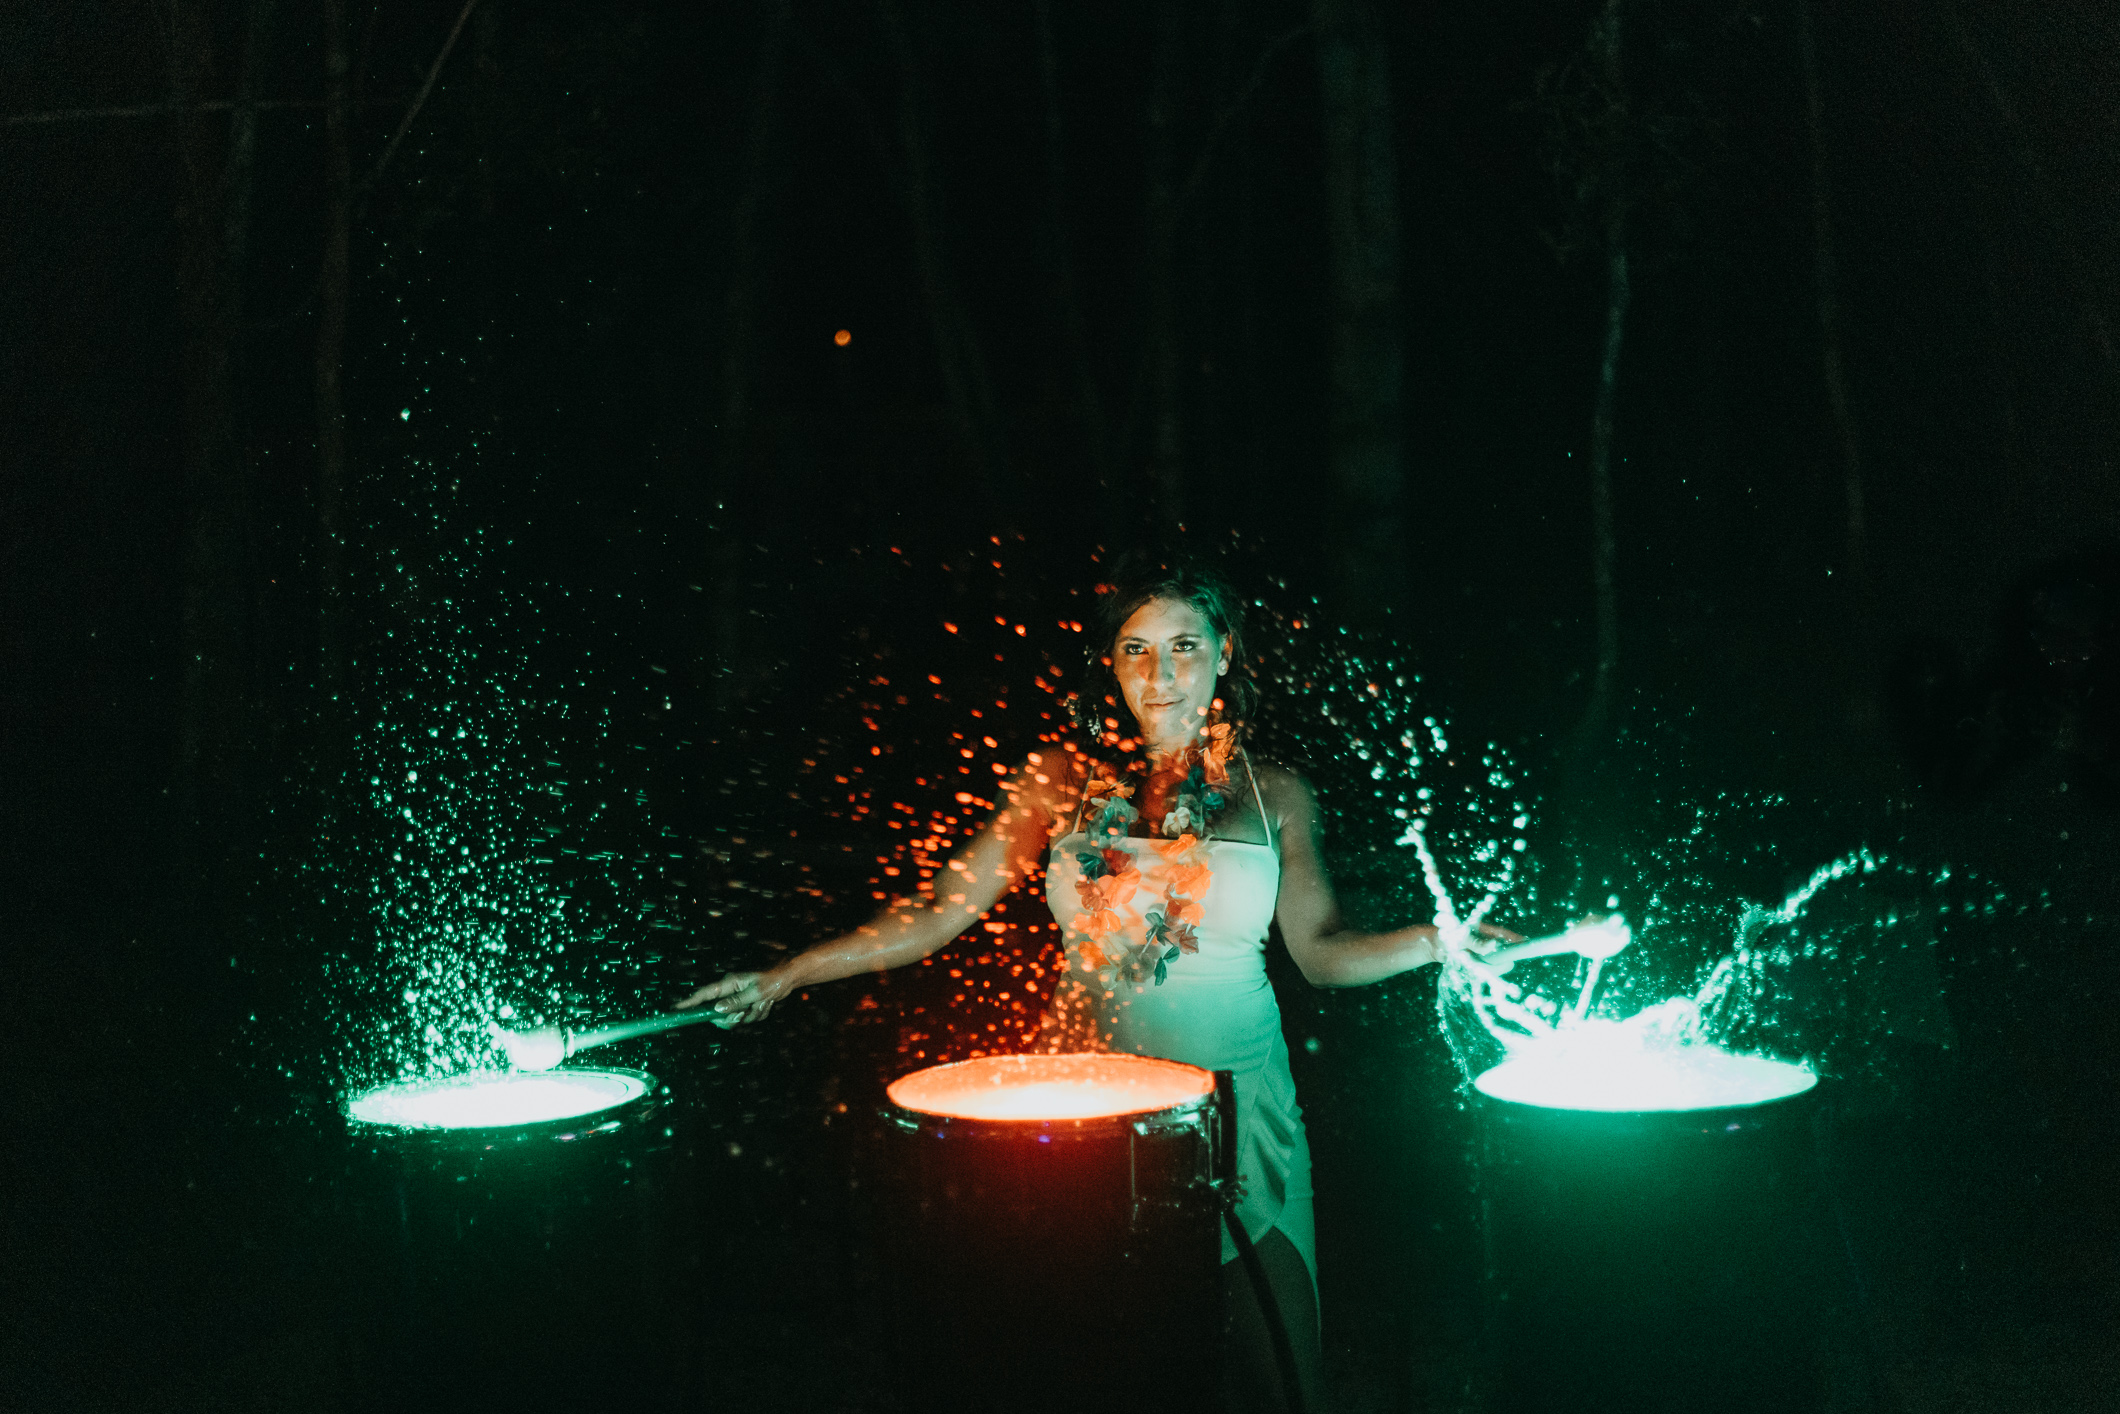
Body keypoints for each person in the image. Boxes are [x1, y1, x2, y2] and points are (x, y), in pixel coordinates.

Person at [679, 557, 1514, 1412]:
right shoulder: (1060, 782)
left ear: (1225, 653)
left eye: (1184, 646)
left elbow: (1322, 953)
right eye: (1135, 650)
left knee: (1282, 1387)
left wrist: (1440, 942)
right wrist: (787, 974)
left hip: (1239, 1109)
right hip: (1085, 1113)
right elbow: (937, 910)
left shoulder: (1276, 796)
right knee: (1093, 1371)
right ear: (1111, 665)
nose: (1160, 674)